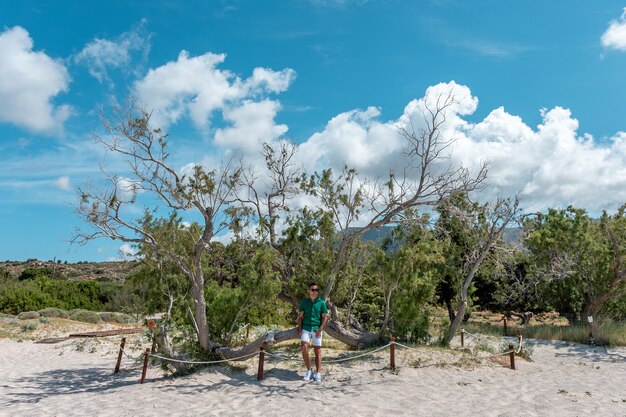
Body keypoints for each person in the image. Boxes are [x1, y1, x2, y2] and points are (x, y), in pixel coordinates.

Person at [297, 282, 328, 382]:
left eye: (316, 290)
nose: (315, 291)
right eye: (313, 289)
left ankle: (318, 373)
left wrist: (320, 329)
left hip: (316, 329)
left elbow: (324, 317)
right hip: (306, 328)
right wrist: (299, 329)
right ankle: (309, 370)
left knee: (317, 350)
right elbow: (300, 317)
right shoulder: (304, 302)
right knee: (304, 347)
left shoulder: (321, 303)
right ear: (309, 290)